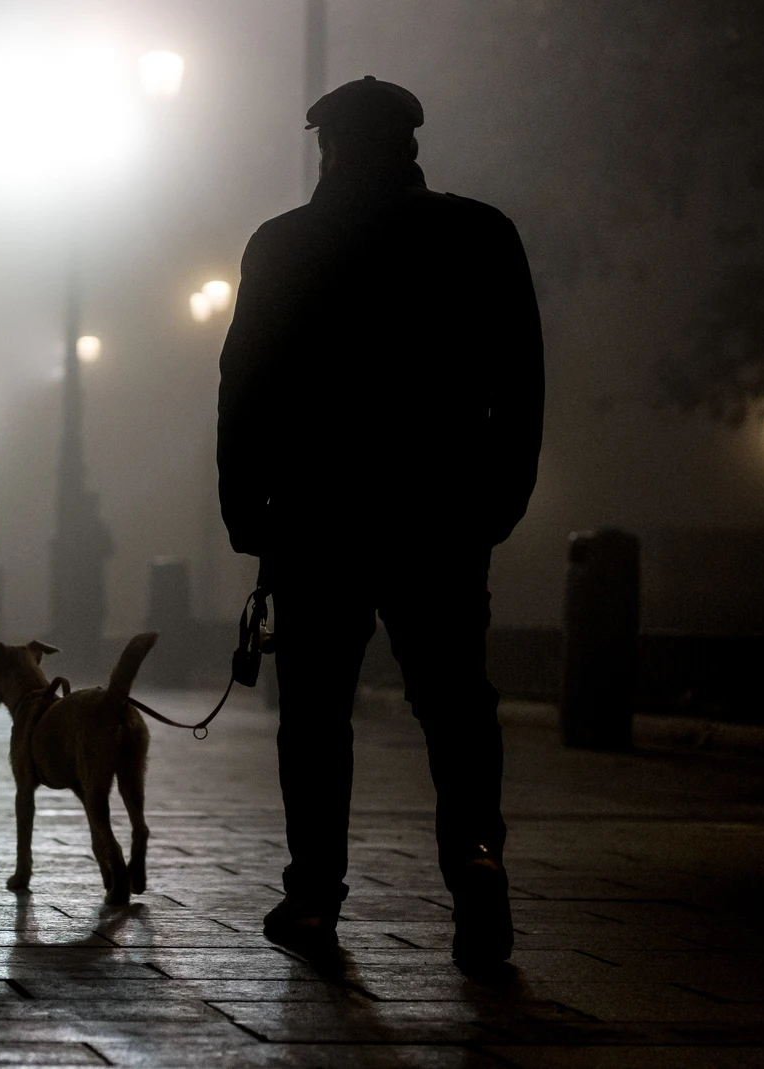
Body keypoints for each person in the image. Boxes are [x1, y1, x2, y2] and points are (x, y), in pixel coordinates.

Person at [216, 77, 543, 966]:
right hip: (441, 512)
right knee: (455, 703)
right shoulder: (480, 234)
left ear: (329, 148)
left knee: (317, 714)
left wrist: (247, 510)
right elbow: (519, 383)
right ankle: (475, 857)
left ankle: (316, 895)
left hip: (319, 516)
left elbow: (243, 386)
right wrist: (500, 498)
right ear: (410, 144)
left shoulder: (284, 244)